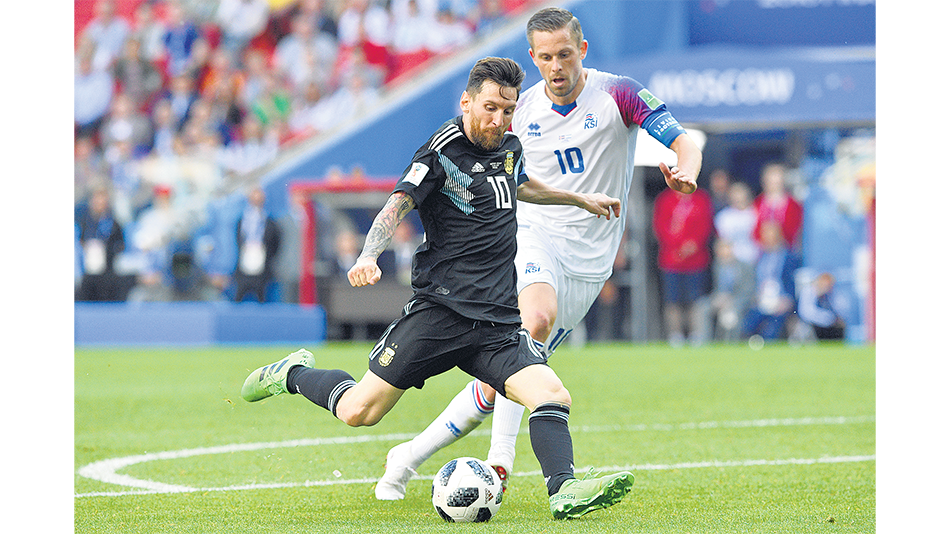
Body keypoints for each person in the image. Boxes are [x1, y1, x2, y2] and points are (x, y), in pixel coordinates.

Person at [240, 57, 635, 520]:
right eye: (489, 107)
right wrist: (368, 255)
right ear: (466, 101)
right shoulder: (440, 151)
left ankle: (564, 490)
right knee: (358, 412)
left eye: (507, 110)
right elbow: (396, 205)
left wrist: (579, 198)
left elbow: (521, 184)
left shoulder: (509, 145)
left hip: (496, 323)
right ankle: (291, 374)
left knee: (552, 395)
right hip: (439, 314)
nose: (498, 119)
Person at [374, 7, 702, 500]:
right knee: (536, 322)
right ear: (533, 57)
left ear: (582, 51)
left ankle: (407, 456)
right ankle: (500, 461)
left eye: (565, 55)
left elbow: (682, 141)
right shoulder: (518, 110)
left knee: (508, 377)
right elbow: (482, 168)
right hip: (533, 236)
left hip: (591, 261)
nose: (556, 67)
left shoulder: (619, 93)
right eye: (546, 57)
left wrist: (686, 170)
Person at [652, 186, 714, 347]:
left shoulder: (701, 198)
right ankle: (675, 335)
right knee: (673, 300)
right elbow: (660, 226)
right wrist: (677, 246)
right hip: (671, 259)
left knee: (695, 299)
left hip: (696, 259)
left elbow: (706, 224)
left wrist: (693, 244)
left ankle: (696, 334)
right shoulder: (665, 199)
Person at [742, 221, 799, 341]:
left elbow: (793, 282)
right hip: (762, 300)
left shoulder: (789, 257)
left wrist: (788, 300)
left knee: (771, 333)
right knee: (747, 327)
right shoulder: (761, 256)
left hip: (781, 301)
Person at [233, 186, 282, 302]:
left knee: (262, 297)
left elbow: (276, 244)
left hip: (262, 268)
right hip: (244, 265)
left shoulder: (270, 222)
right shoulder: (241, 220)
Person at [753, 162, 803, 251]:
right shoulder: (757, 203)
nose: (774, 186)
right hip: (761, 250)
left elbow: (794, 230)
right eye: (771, 182)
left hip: (785, 250)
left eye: (777, 182)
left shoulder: (793, 205)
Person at [794, 271, 846, 341]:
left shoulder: (832, 294)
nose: (826, 288)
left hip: (831, 324)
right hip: (813, 324)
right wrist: (828, 318)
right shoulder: (808, 292)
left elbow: (840, 309)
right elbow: (806, 313)